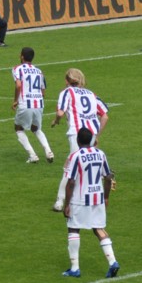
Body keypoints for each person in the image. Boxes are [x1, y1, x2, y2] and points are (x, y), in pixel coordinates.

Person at [61, 128, 120, 279]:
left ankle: (75, 268)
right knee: (99, 228)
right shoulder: (101, 154)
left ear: (78, 141)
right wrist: (106, 197)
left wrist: (66, 204)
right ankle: (112, 261)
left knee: (73, 229)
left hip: (80, 200)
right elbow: (108, 177)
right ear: (92, 140)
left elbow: (71, 182)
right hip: (97, 198)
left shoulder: (76, 156)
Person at [50, 68, 109, 212]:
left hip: (77, 133)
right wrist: (97, 136)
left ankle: (60, 201)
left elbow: (60, 112)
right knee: (88, 162)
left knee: (70, 166)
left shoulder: (66, 92)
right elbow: (105, 116)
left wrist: (56, 121)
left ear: (66, 81)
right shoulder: (91, 94)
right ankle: (92, 196)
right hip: (91, 133)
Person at [12, 47, 54, 164]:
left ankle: (32, 155)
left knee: (18, 128)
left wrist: (15, 100)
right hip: (39, 103)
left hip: (25, 103)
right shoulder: (39, 71)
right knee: (36, 128)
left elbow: (18, 85)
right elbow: (43, 91)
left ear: (22, 57)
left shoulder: (17, 69)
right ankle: (48, 151)